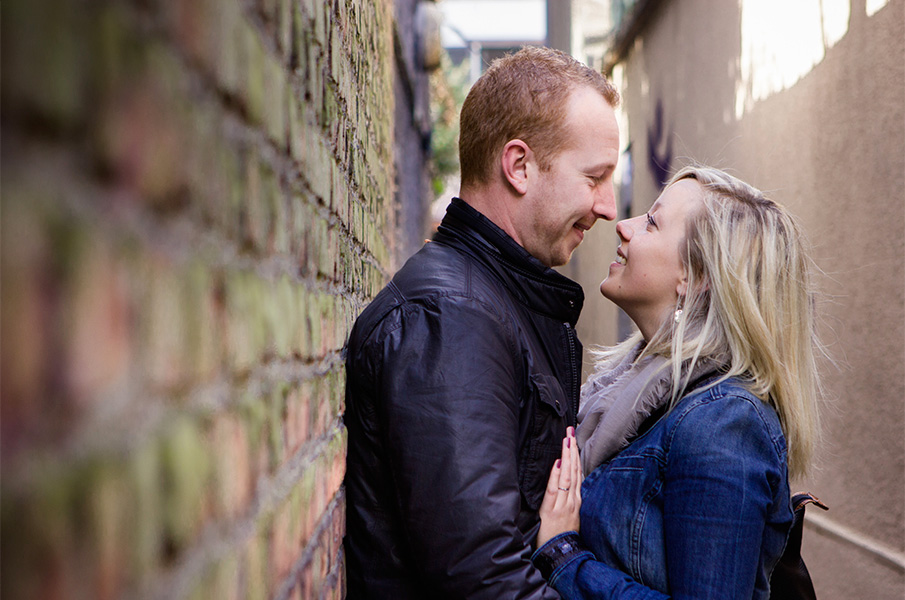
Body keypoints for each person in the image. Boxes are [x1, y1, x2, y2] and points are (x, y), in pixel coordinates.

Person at [343, 46, 620, 598]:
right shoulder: (453, 319)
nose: (609, 206)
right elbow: (484, 581)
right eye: (595, 178)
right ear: (518, 166)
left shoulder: (490, 302)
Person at [533, 165, 822, 599]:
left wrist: (565, 559)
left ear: (697, 278)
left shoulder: (725, 425)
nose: (624, 226)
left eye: (651, 222)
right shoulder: (637, 393)